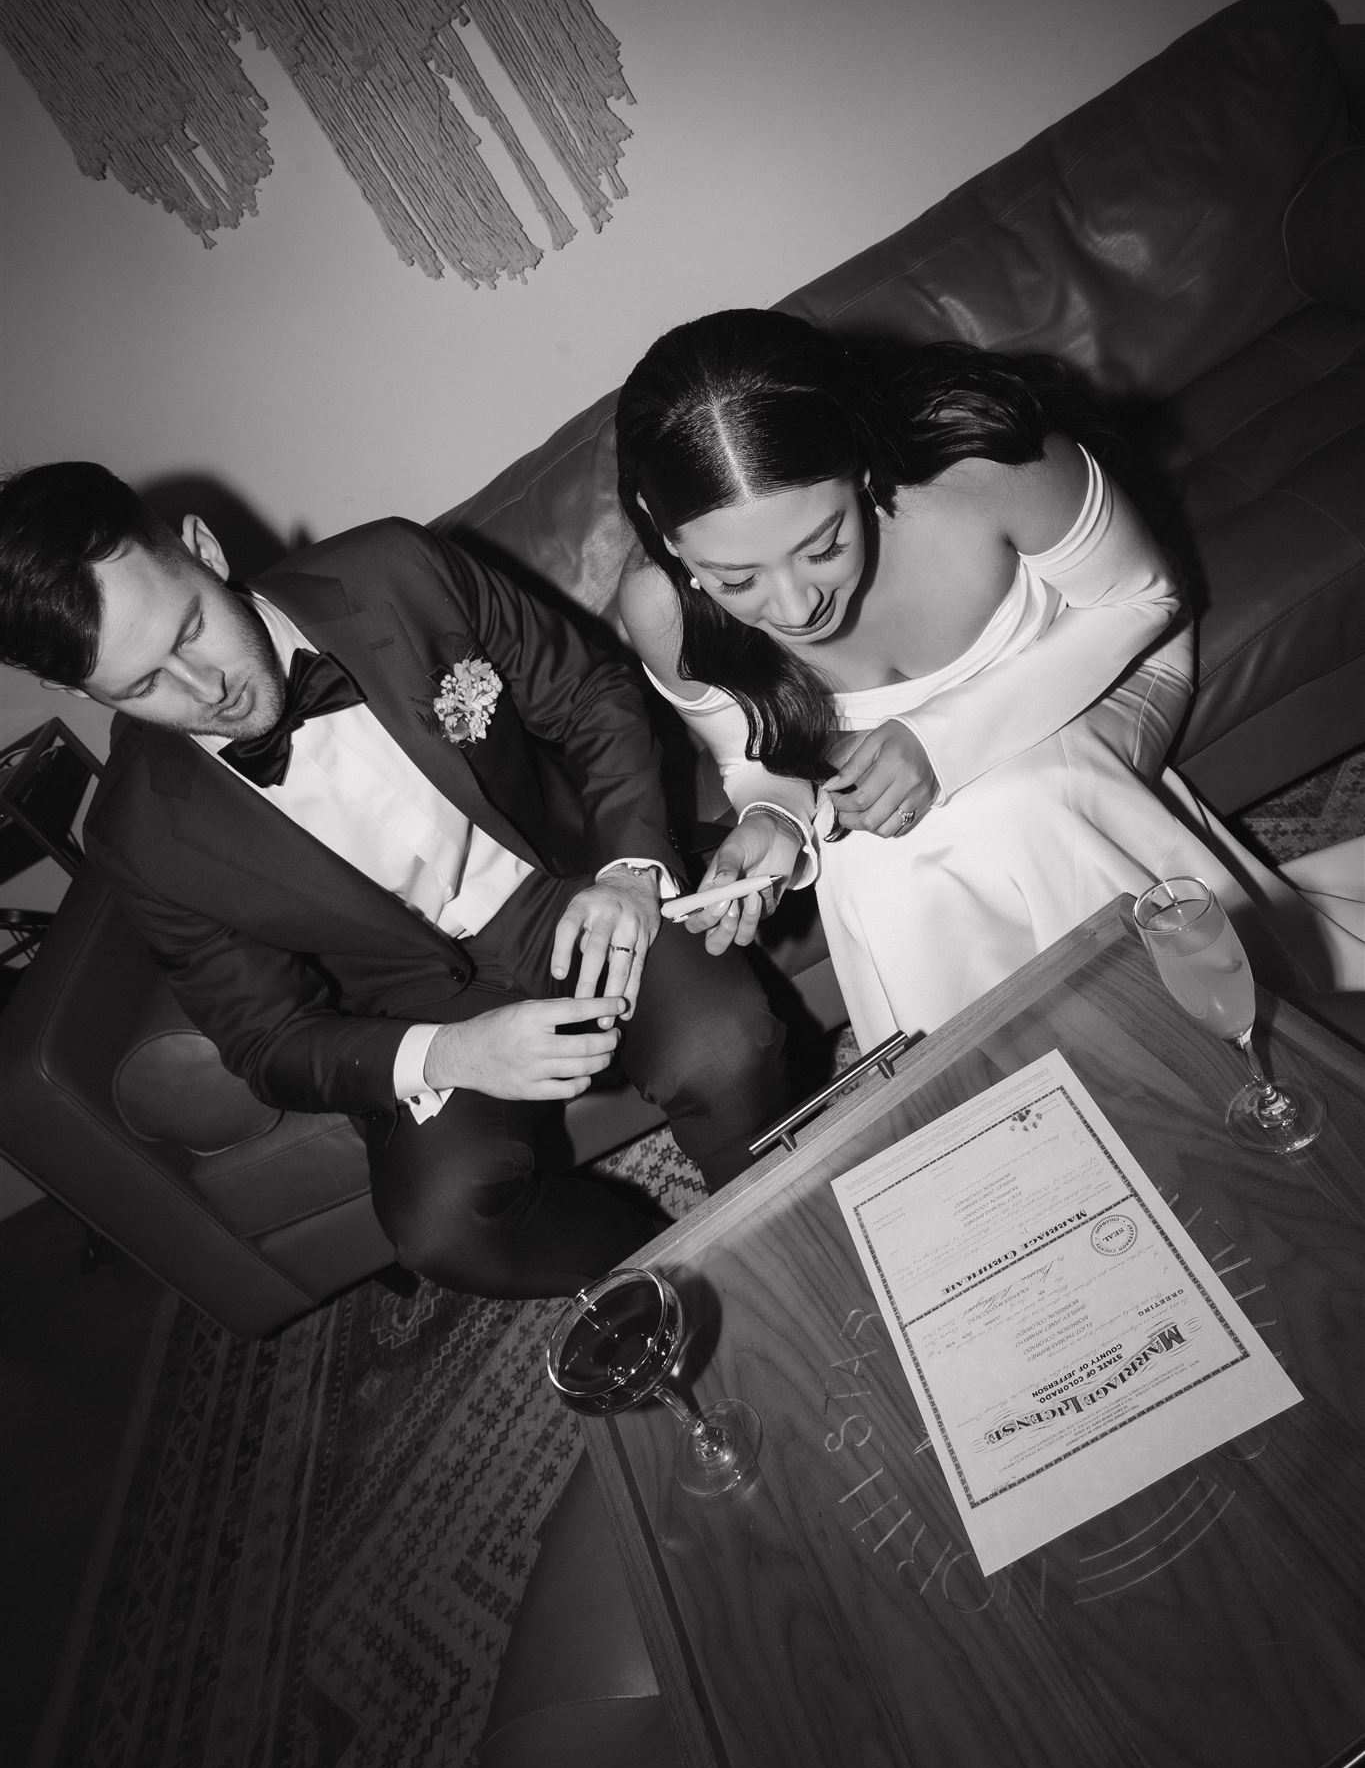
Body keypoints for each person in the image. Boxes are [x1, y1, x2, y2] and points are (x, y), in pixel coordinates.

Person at [0, 463, 788, 1297]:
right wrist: (451, 1052)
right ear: (71, 689)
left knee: (723, 1043)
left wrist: (629, 869)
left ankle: (779, 1229)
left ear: (202, 547)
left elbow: (590, 696)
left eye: (189, 630)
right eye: (144, 685)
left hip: (571, 883)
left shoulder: (395, 573)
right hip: (412, 1007)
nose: (210, 690)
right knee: (446, 1230)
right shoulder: (137, 838)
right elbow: (268, 1042)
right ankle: (684, 1283)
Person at [615, 309, 1362, 1052]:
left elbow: (1145, 600)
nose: (794, 605)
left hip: (1102, 665)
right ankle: (1011, 1095)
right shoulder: (660, 609)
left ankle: (1210, 1044)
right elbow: (750, 759)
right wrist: (772, 822)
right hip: (895, 751)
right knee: (871, 872)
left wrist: (941, 743)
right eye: (735, 578)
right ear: (660, 523)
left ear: (860, 463)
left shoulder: (984, 467)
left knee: (1015, 803)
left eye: (823, 545)